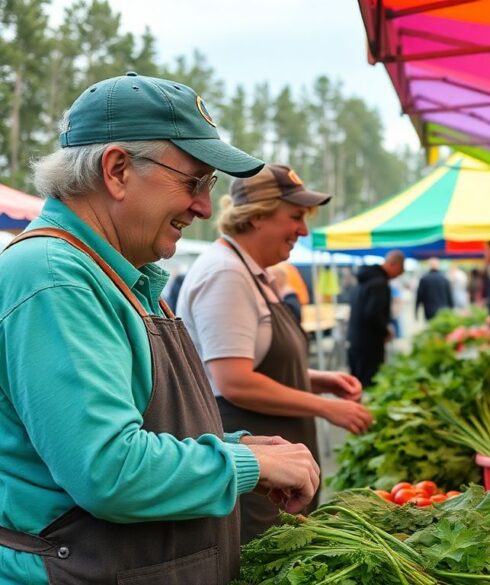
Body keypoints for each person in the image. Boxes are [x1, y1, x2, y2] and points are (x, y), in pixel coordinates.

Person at [0, 73, 319, 584]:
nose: (204, 207)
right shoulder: (55, 278)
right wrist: (244, 466)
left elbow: (149, 431)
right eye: (193, 181)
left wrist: (242, 446)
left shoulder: (121, 275)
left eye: (209, 186)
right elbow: (109, 470)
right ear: (118, 169)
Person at [176, 164, 373, 543]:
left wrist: (316, 379)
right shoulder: (226, 274)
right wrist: (326, 407)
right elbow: (234, 381)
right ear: (257, 217)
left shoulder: (252, 274)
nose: (303, 230)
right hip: (258, 476)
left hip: (278, 471)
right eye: (295, 217)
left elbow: (246, 358)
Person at [348, 250, 405, 388]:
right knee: (369, 384)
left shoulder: (365, 279)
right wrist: (386, 331)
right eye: (400, 270)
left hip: (356, 341)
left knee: (357, 384)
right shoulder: (379, 283)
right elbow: (373, 314)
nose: (399, 274)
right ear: (394, 265)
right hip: (369, 345)